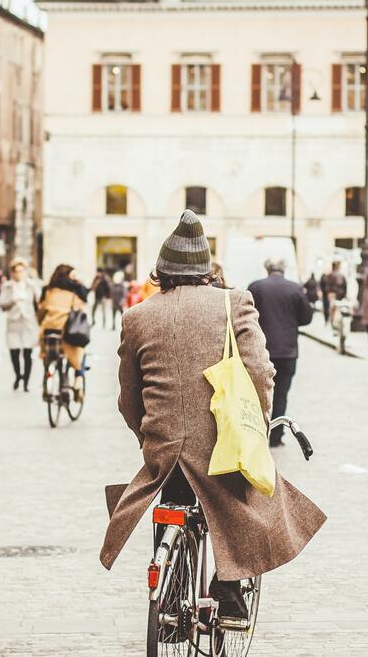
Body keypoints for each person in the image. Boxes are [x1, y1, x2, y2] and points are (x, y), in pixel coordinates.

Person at [104, 209, 326, 626]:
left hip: (164, 445)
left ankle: (170, 602)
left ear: (161, 271)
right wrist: (257, 425)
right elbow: (260, 372)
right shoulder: (234, 303)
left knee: (172, 501)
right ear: (206, 270)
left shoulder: (136, 317)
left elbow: (127, 396)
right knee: (251, 498)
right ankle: (229, 592)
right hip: (221, 441)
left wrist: (149, 437)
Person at [248, 257, 314, 445]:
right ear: (284, 269)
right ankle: (276, 437)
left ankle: (257, 433)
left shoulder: (256, 287)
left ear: (267, 268)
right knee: (281, 394)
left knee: (257, 394)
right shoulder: (295, 288)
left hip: (261, 349)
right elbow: (307, 317)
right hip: (287, 350)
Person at [38, 264, 90, 399]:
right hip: (68, 333)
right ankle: (78, 379)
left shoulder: (47, 290)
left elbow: (41, 311)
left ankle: (47, 382)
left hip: (49, 331)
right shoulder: (74, 291)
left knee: (47, 355)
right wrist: (79, 282)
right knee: (80, 351)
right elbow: (84, 304)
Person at [0, 259, 42, 391]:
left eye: (21, 271)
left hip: (29, 322)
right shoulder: (7, 286)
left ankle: (26, 383)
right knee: (14, 352)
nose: (19, 274)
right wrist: (13, 299)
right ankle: (18, 376)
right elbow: (2, 305)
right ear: (12, 273)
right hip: (14, 323)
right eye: (16, 271)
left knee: (28, 353)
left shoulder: (32, 285)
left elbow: (39, 302)